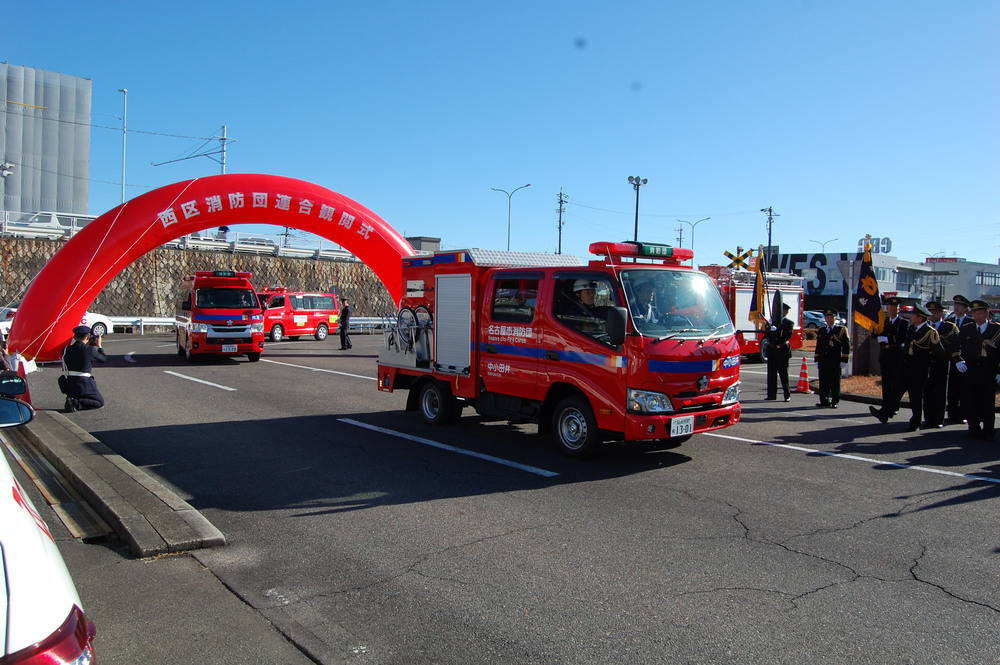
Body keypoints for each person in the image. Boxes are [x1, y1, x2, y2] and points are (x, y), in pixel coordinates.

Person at [869, 304, 942, 431]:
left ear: (920, 318)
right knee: (895, 392)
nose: (911, 317)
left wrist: (926, 363)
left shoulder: (930, 332)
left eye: (913, 315)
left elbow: (939, 352)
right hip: (904, 368)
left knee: (915, 397)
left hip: (918, 371)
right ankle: (885, 413)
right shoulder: (912, 329)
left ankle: (915, 422)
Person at [953, 299, 1000, 440]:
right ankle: (973, 429)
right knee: (971, 402)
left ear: (987, 313)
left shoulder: (996, 330)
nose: (978, 316)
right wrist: (957, 360)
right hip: (971, 371)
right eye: (975, 314)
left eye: (980, 313)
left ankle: (988, 431)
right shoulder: (967, 329)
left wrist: (999, 371)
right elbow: (956, 347)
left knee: (987, 403)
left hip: (988, 372)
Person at [922, 301, 959, 428]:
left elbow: (954, 344)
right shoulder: (924, 326)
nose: (932, 315)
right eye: (930, 312)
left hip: (942, 363)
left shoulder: (949, 327)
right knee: (927, 392)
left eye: (935, 312)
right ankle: (928, 418)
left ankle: (938, 419)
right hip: (927, 363)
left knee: (940, 391)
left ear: (941, 314)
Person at [60, 325, 107, 412]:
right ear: (88, 337)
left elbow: (78, 352)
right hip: (84, 384)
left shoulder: (66, 349)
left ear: (74, 337)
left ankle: (72, 399)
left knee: (78, 394)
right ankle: (75, 402)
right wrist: (99, 346)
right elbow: (103, 359)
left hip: (69, 384)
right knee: (99, 402)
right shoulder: (90, 350)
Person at [875, 296, 909, 414]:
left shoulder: (904, 323)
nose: (893, 309)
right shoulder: (884, 322)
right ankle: (885, 406)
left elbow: (903, 338)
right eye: (891, 307)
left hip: (896, 356)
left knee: (895, 383)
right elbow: (876, 335)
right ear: (887, 308)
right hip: (885, 356)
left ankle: (894, 407)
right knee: (886, 382)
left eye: (896, 307)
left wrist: (888, 339)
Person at [814, 308, 850, 408]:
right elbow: (818, 346)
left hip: (835, 360)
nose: (829, 320)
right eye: (827, 318)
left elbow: (846, 346)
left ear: (835, 318)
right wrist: (817, 359)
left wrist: (844, 359)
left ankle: (835, 401)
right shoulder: (822, 330)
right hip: (823, 360)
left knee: (834, 382)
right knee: (823, 381)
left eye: (831, 318)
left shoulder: (841, 330)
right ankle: (824, 400)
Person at [945, 294, 972, 424]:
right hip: (951, 360)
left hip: (964, 361)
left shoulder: (970, 323)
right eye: (955, 305)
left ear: (966, 308)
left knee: (964, 389)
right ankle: (952, 414)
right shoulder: (949, 321)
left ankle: (963, 414)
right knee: (952, 389)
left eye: (960, 305)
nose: (956, 307)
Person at [765, 303, 794, 402]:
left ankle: (787, 395)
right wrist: (769, 327)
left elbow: (787, 336)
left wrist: (777, 330)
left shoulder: (789, 323)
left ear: (786, 312)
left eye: (783, 311)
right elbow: (766, 335)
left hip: (782, 351)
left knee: (783, 375)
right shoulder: (772, 322)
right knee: (771, 374)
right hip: (772, 350)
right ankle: (771, 395)